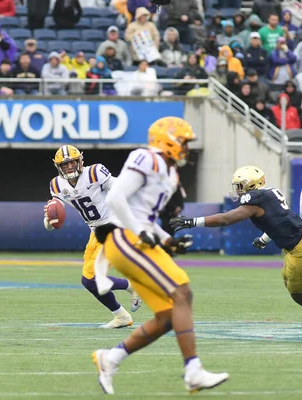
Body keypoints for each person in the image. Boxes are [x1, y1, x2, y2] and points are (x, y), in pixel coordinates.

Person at [91, 117, 229, 395]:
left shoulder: (170, 174)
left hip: (136, 238)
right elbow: (116, 197)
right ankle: (193, 371)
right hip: (123, 237)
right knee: (182, 292)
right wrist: (138, 233)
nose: (187, 147)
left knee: (169, 315)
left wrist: (168, 240)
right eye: (184, 141)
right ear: (168, 139)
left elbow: (147, 217)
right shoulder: (146, 157)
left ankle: (111, 358)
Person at [170, 166, 302, 326]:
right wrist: (264, 239)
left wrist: (194, 221)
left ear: (251, 184)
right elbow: (276, 221)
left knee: (298, 293)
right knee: (289, 281)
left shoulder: (254, 200)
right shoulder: (268, 194)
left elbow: (226, 219)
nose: (237, 190)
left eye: (239, 185)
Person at [44, 145, 141, 328]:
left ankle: (134, 285)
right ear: (58, 167)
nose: (69, 167)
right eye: (64, 165)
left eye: (72, 162)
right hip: (95, 232)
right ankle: (121, 317)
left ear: (80, 161)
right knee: (88, 282)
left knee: (92, 279)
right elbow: (52, 224)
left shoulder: (95, 172)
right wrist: (49, 220)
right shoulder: (57, 184)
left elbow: (119, 187)